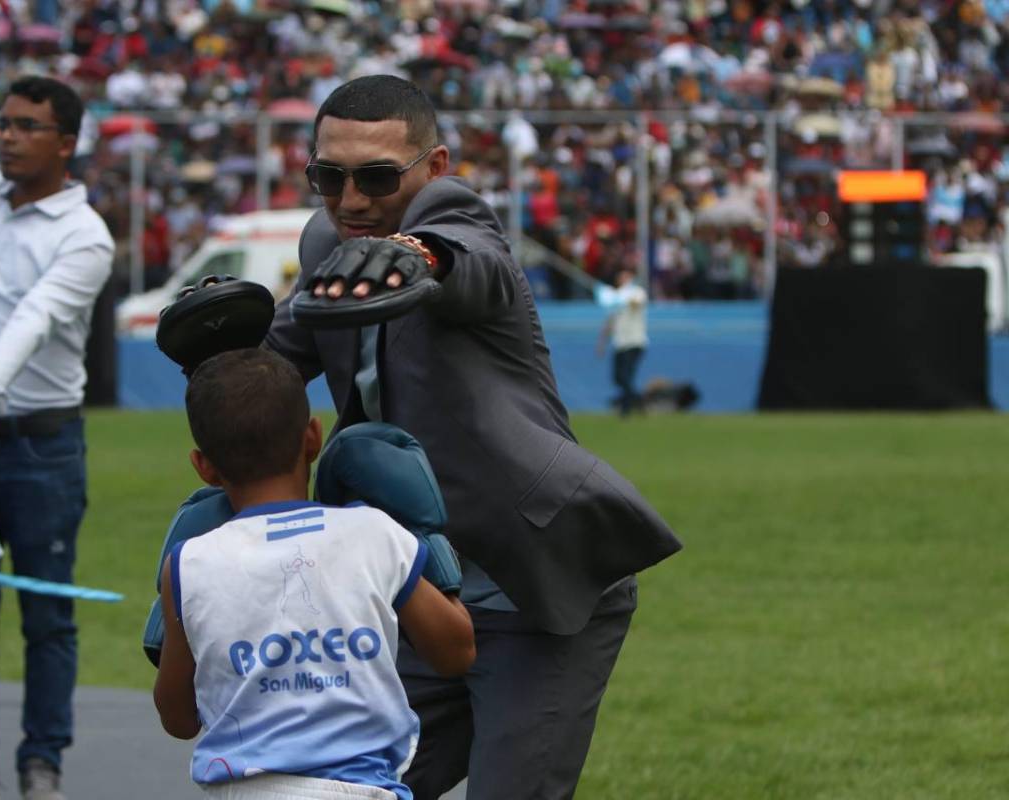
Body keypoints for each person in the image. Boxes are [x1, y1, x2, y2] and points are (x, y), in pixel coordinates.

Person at [264, 75, 681, 800]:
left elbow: (470, 263)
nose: (352, 198)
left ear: (435, 169)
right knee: (334, 792)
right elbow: (277, 357)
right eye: (329, 176)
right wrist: (221, 348)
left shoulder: (455, 226)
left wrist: (420, 258)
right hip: (420, 597)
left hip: (533, 591)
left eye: (377, 177)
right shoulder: (328, 239)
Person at [154, 348, 475, 799]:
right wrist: (427, 537)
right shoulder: (372, 533)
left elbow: (177, 718)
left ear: (203, 466)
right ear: (313, 438)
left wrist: (174, 612)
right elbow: (456, 651)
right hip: (360, 789)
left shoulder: (188, 564)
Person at [0, 76, 114, 800]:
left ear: (65, 143)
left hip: (42, 447)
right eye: (2, 123)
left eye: (26, 126)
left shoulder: (84, 236)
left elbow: (31, 322)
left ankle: (43, 764)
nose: (6, 136)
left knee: (48, 615)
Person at [596, 267, 649, 417]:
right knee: (617, 378)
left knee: (626, 376)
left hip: (635, 342)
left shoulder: (637, 292)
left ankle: (626, 410)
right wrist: (601, 343)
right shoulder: (615, 297)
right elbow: (610, 322)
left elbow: (636, 304)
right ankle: (637, 400)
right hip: (620, 343)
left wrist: (622, 298)